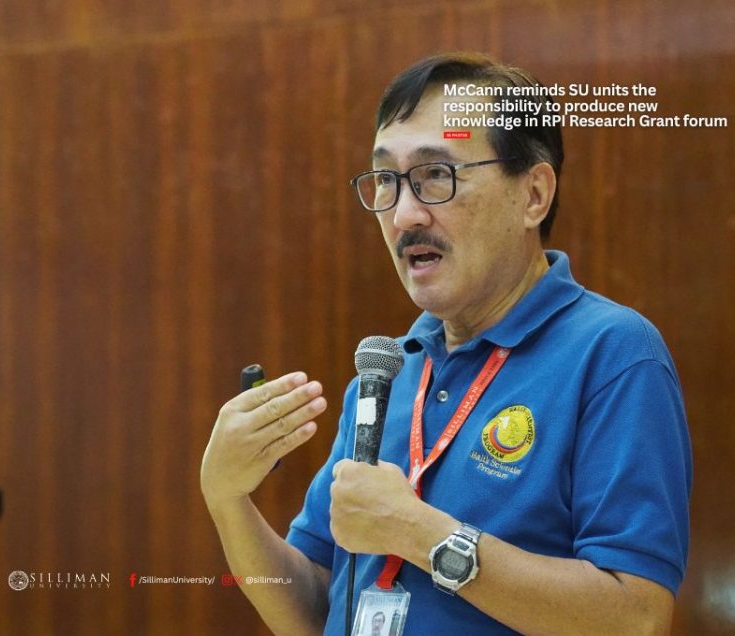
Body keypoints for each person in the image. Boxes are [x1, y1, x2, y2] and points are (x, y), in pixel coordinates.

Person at [201, 52, 692, 635]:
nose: (404, 215)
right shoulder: (385, 377)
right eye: (387, 180)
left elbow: (636, 618)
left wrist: (417, 533)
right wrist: (227, 499)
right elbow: (316, 610)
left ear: (533, 195)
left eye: (436, 175)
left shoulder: (612, 353)